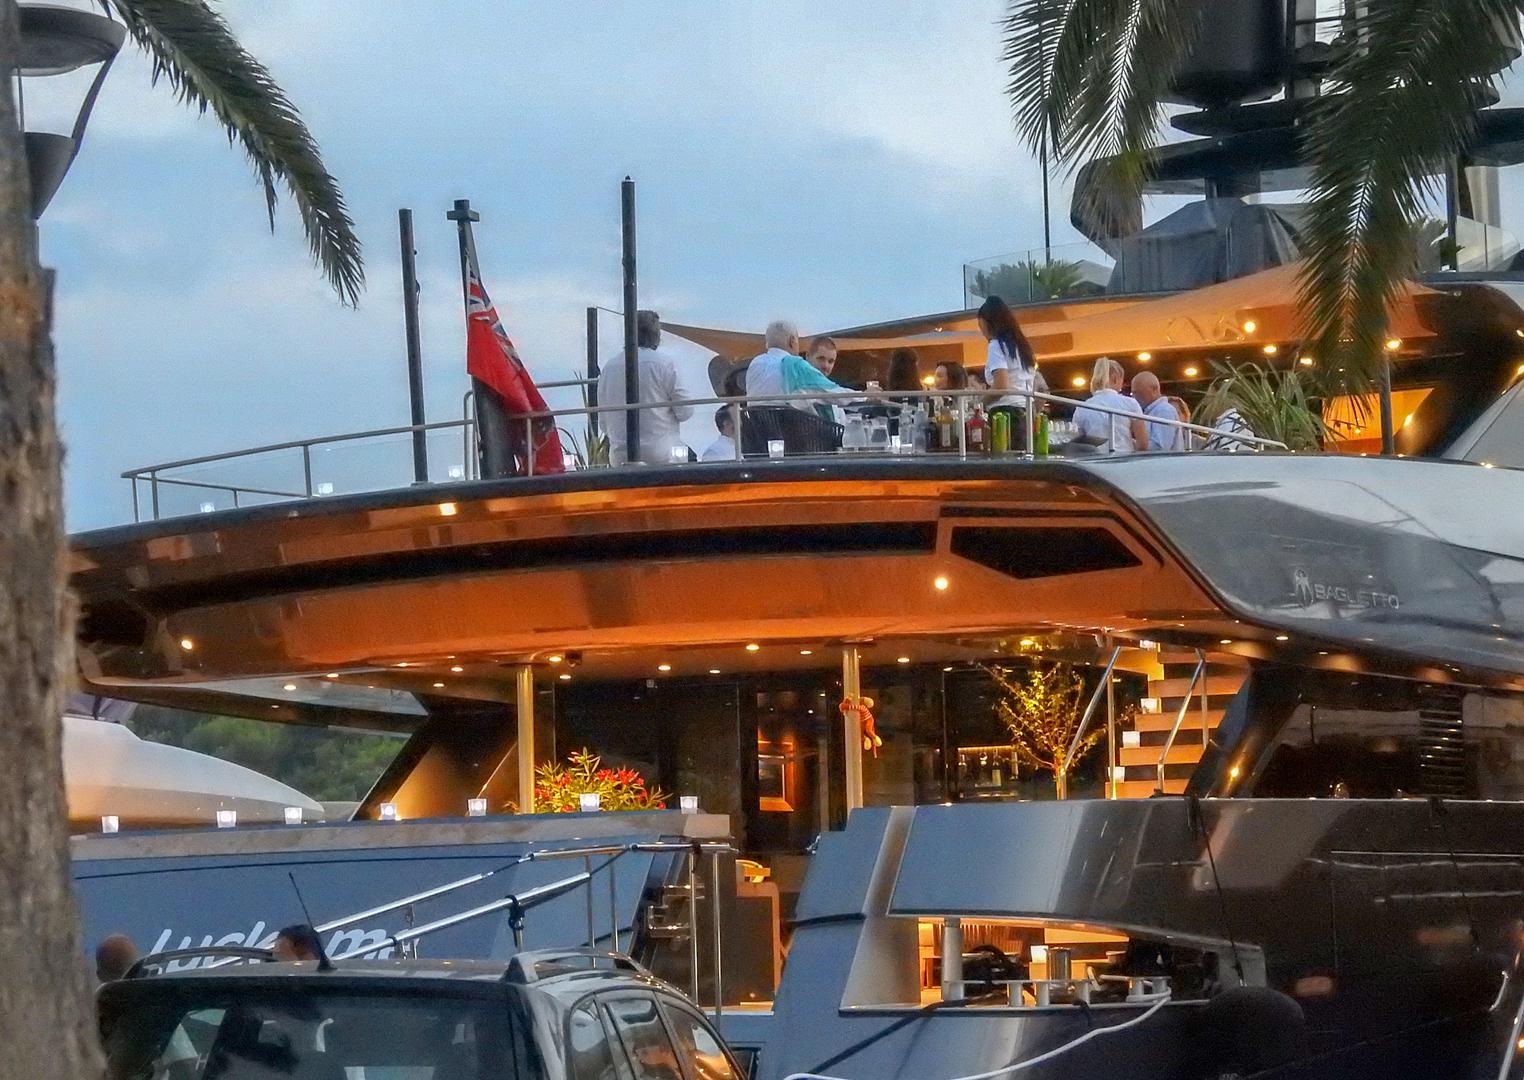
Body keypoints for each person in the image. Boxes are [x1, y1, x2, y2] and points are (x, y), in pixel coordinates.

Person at [597, 310, 695, 466]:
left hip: (620, 455)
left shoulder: (608, 368)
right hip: (662, 454)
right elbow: (686, 411)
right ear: (656, 335)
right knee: (692, 459)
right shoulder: (664, 364)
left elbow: (603, 423)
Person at [746, 320, 855, 417]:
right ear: (792, 341)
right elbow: (834, 393)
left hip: (758, 429)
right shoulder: (794, 364)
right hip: (790, 428)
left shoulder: (755, 363)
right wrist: (862, 396)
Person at [978, 296, 1041, 431]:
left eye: (980, 325)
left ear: (988, 323)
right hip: (1027, 409)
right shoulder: (1022, 347)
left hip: (1005, 412)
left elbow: (1001, 385)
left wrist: (979, 404)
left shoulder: (996, 345)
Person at [1073, 357, 1147, 453]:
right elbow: (1143, 444)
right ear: (1115, 379)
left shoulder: (1082, 408)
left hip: (1095, 458)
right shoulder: (1130, 403)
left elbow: (1076, 443)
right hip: (1125, 457)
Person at [1132, 371, 1186, 451]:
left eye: (1138, 392)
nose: (1134, 397)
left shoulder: (1164, 411)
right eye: (1133, 393)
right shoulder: (1153, 411)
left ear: (1154, 390)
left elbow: (1160, 447)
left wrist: (1130, 443)